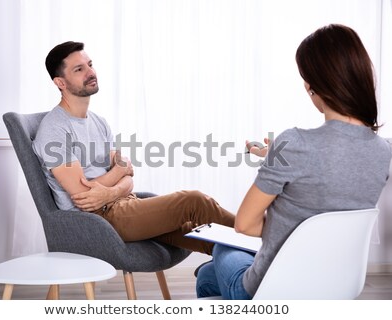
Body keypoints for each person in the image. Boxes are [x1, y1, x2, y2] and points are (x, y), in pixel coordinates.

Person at [196, 24, 392, 299]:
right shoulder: (383, 150)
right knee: (209, 274)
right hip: (335, 286)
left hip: (273, 290)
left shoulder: (294, 144)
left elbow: (245, 225)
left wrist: (281, 158)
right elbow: (336, 167)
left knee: (220, 253)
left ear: (312, 85)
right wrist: (275, 157)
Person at [32, 41, 235, 255]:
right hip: (98, 220)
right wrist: (119, 174)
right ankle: (267, 236)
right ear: (60, 83)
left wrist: (115, 184)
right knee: (193, 201)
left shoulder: (98, 122)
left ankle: (256, 264)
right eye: (79, 69)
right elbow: (84, 197)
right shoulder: (54, 129)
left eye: (90, 64)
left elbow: (128, 174)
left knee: (205, 236)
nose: (91, 72)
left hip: (124, 204)